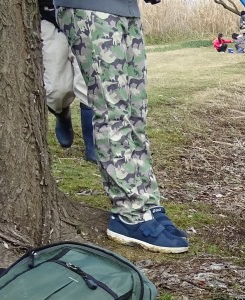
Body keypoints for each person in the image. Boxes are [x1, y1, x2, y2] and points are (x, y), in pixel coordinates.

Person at [55, 0, 189, 254]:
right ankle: (129, 214)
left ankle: (148, 204)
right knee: (112, 111)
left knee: (135, 113)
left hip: (125, 8)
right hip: (92, 7)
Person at [40, 0, 96, 162]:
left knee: (88, 83)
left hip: (83, 13)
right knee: (57, 90)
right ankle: (62, 113)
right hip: (48, 16)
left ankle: (92, 146)